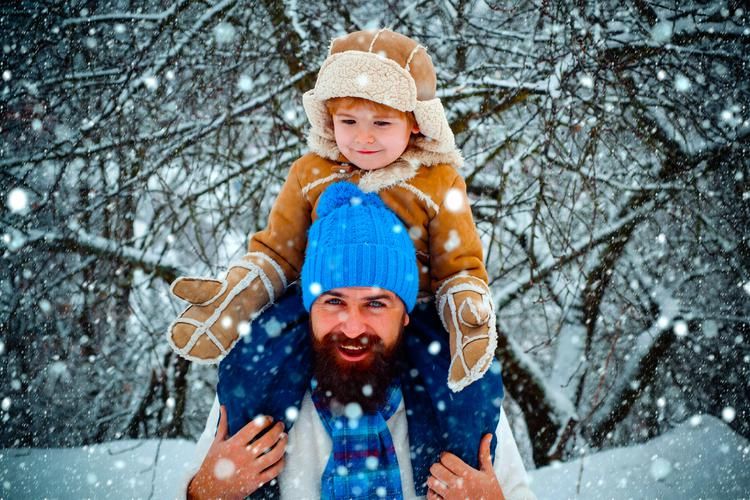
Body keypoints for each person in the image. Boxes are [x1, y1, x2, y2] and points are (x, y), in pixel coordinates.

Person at [167, 28, 497, 391]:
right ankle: (255, 430)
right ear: (330, 118)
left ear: (416, 122)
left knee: (460, 388)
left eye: (382, 123)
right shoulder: (311, 172)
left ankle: (454, 445)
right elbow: (278, 251)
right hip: (321, 300)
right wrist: (239, 296)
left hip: (404, 309)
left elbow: (459, 264)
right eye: (349, 121)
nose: (363, 137)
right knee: (252, 361)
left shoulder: (437, 182)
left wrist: (463, 307)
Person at [183, 185, 535, 499]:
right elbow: (195, 486)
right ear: (310, 309)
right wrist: (203, 492)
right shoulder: (257, 383)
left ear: (405, 313)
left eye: (376, 304)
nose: (352, 327)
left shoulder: (458, 389)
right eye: (334, 301)